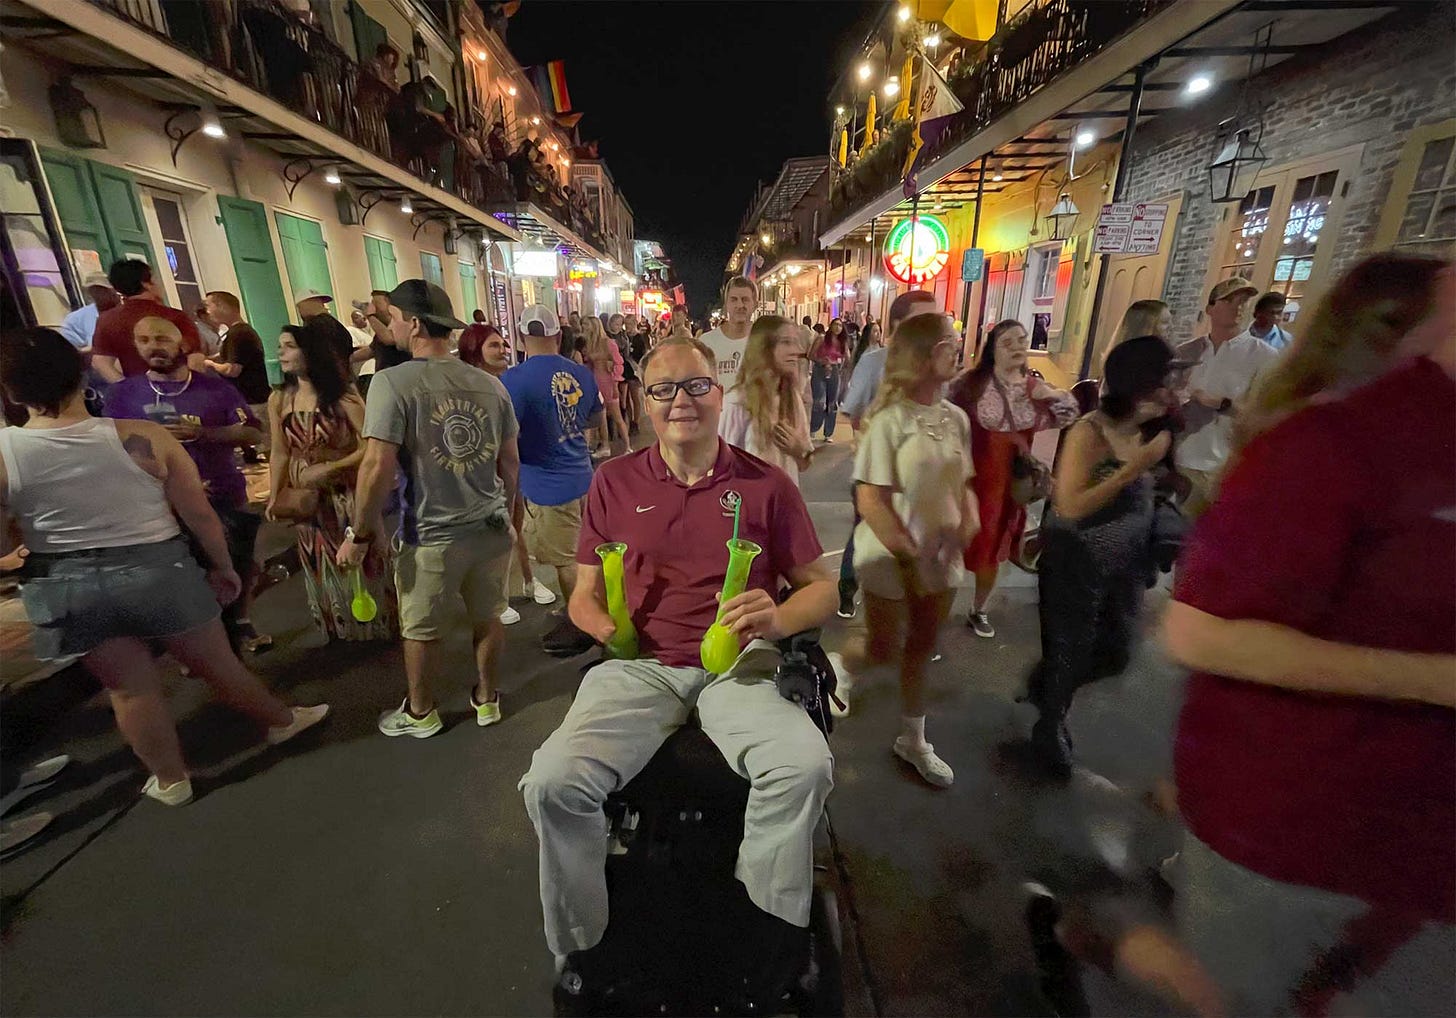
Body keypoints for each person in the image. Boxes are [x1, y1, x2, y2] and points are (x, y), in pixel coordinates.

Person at [1162, 255, 1455, 1015]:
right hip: (1298, 830)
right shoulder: (1333, 439)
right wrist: (1435, 680)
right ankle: (1110, 937)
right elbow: (1197, 630)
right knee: (1243, 993)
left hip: (1416, 849)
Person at [519, 338, 837, 974]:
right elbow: (582, 592)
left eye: (694, 385)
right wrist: (594, 620)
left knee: (805, 766)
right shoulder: (613, 481)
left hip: (740, 665)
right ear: (644, 402)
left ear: (719, 394)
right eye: (663, 389)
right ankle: (580, 941)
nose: (680, 401)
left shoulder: (766, 484)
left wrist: (776, 619)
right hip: (641, 666)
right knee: (552, 783)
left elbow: (822, 587)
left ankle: (764, 916)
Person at [0, 328, 327, 807]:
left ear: (11, 391)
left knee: (128, 689)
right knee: (217, 664)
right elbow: (198, 514)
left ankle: (171, 780)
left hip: (67, 582)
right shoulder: (142, 437)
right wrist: (223, 567)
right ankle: (281, 722)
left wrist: (19, 552)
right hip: (158, 569)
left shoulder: (6, 453)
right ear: (79, 376)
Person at [339, 280, 520, 739]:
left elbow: (377, 464)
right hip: (490, 525)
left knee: (420, 628)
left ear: (414, 323)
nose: (390, 327)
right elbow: (510, 461)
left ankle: (421, 712)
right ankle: (487, 699)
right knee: (488, 616)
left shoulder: (391, 382)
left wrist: (359, 534)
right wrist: (511, 514)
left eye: (393, 318)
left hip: (431, 533)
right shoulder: (489, 384)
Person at [827, 314, 978, 787]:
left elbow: (965, 483)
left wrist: (968, 521)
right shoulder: (887, 421)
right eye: (948, 345)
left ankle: (913, 739)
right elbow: (870, 499)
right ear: (921, 355)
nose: (957, 351)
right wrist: (908, 553)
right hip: (892, 556)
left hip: (942, 557)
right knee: (883, 647)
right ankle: (841, 666)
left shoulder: (955, 418)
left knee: (922, 647)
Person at [1025, 336, 1174, 777]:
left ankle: (1046, 686)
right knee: (1070, 650)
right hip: (1076, 562)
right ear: (1143, 383)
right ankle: (1049, 724)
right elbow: (1069, 506)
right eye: (1169, 378)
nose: (1177, 387)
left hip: (1126, 564)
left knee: (1116, 651)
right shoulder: (1091, 432)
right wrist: (1136, 468)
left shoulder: (1156, 429)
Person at [106, 314, 273, 656]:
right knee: (184, 579)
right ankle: (203, 649)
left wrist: (205, 433)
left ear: (182, 343)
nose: (154, 347)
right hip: (157, 505)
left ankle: (240, 624)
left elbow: (254, 432)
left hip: (224, 494)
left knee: (238, 564)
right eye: (144, 340)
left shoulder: (215, 388)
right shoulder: (123, 395)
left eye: (162, 339)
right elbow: (109, 447)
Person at [949, 319, 1079, 640]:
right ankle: (935, 614)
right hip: (968, 481)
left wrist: (1049, 392)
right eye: (1008, 342)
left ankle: (978, 608)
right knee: (953, 548)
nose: (1018, 347)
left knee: (994, 549)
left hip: (1009, 486)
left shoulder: (1032, 389)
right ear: (992, 348)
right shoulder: (970, 385)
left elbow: (1069, 413)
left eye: (1022, 340)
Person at [267, 325, 394, 642]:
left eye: (289, 346)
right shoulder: (279, 399)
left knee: (358, 558)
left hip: (344, 493)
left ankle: (373, 626)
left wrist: (332, 466)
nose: (281, 352)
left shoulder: (342, 397)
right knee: (318, 559)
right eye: (280, 346)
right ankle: (338, 626)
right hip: (306, 496)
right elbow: (279, 451)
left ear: (310, 352)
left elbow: (370, 445)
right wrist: (274, 494)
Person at [502, 305, 604, 656]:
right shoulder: (581, 373)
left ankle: (583, 622)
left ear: (520, 337)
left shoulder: (512, 381)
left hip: (545, 485)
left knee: (567, 562)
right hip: (583, 475)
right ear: (558, 337)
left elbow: (505, 438)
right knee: (588, 554)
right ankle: (586, 608)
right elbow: (595, 418)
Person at [837, 290, 940, 619]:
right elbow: (854, 413)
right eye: (924, 318)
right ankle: (848, 589)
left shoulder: (935, 364)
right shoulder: (873, 362)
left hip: (921, 475)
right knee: (864, 534)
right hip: (876, 474)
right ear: (899, 323)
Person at [1171, 277, 1271, 517]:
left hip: (1221, 467)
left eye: (1244, 301)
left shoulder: (1263, 355)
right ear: (1210, 309)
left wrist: (1224, 404)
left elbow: (1266, 414)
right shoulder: (1187, 351)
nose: (1239, 307)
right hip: (1179, 459)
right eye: (1229, 300)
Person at [718, 315, 813, 483]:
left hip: (788, 505)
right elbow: (721, 471)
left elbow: (804, 464)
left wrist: (799, 450)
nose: (797, 350)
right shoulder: (736, 404)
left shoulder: (792, 399)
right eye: (786, 342)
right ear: (763, 348)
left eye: (795, 342)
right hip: (750, 507)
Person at [91, 259, 202, 381]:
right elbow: (195, 359)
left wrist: (126, 387)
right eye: (155, 279)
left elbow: (100, 362)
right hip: (177, 389)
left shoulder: (106, 320)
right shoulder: (175, 317)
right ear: (146, 284)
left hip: (135, 394)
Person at [203, 290, 272, 433]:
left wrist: (209, 364)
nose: (208, 311)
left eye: (209, 306)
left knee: (260, 445)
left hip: (253, 403)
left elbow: (232, 370)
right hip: (254, 400)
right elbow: (230, 355)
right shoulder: (239, 332)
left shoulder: (238, 334)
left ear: (222, 306)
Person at [582, 316, 628, 458]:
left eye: (587, 325)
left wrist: (615, 381)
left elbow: (619, 363)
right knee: (600, 417)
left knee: (616, 415)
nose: (584, 328)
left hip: (608, 380)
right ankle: (605, 445)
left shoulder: (608, 343)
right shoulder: (590, 343)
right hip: (596, 381)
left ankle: (627, 446)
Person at [698, 276, 756, 389]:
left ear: (755, 304)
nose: (740, 305)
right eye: (734, 299)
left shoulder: (766, 341)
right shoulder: (707, 343)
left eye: (745, 299)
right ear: (726, 304)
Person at [808, 317, 849, 443]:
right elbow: (810, 355)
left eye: (840, 326)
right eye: (835, 324)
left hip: (835, 371)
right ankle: (813, 428)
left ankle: (828, 433)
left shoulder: (842, 342)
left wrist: (842, 364)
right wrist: (822, 361)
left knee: (832, 403)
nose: (838, 327)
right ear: (831, 326)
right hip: (820, 370)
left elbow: (847, 358)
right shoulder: (822, 338)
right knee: (819, 402)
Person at [294, 289, 353, 370]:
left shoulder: (322, 324)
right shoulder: (322, 325)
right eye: (315, 302)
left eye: (320, 302)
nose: (322, 305)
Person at [58, 272, 119, 351]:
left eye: (102, 290)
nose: (98, 294)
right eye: (95, 291)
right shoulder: (81, 318)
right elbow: (96, 347)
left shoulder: (121, 311)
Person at [365, 290, 413, 373]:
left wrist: (370, 316)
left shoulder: (402, 323)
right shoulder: (381, 330)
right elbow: (372, 350)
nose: (374, 308)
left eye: (377, 304)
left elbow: (390, 339)